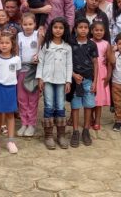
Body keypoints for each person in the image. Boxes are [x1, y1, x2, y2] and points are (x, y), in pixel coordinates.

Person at [37, 17, 73, 150]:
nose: (58, 30)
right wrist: (40, 78)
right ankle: (48, 136)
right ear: (51, 29)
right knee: (49, 105)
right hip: (47, 80)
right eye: (55, 27)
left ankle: (61, 135)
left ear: (65, 30)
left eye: (61, 28)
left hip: (61, 80)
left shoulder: (67, 47)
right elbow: (40, 62)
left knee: (60, 105)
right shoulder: (46, 45)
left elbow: (69, 65)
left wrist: (68, 80)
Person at [0, 32, 20, 155]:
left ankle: (10, 141)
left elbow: (16, 73)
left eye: (7, 43)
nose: (4, 45)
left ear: (12, 44)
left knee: (10, 115)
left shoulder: (16, 59)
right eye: (2, 43)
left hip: (11, 89)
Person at [70, 18, 99, 147]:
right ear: (75, 29)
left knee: (88, 105)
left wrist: (95, 82)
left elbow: (96, 64)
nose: (83, 30)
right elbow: (67, 62)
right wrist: (73, 75)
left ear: (89, 30)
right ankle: (75, 131)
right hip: (75, 80)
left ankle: (86, 130)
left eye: (85, 27)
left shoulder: (92, 45)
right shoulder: (71, 43)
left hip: (88, 80)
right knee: (75, 106)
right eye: (80, 27)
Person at [16, 13, 39, 138]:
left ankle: (31, 124)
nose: (28, 27)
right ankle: (24, 123)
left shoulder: (38, 35)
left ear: (35, 24)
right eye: (25, 24)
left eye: (30, 24)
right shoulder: (19, 36)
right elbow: (16, 51)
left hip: (34, 71)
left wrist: (38, 57)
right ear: (21, 25)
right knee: (22, 98)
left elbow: (41, 49)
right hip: (22, 70)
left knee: (33, 98)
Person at [91, 21, 112, 131]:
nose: (99, 32)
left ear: (104, 32)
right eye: (96, 30)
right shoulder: (89, 42)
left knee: (98, 100)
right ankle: (90, 118)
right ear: (92, 31)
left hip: (102, 74)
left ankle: (97, 120)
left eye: (101, 30)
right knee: (90, 98)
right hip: (90, 74)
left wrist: (108, 75)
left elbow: (109, 61)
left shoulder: (106, 44)